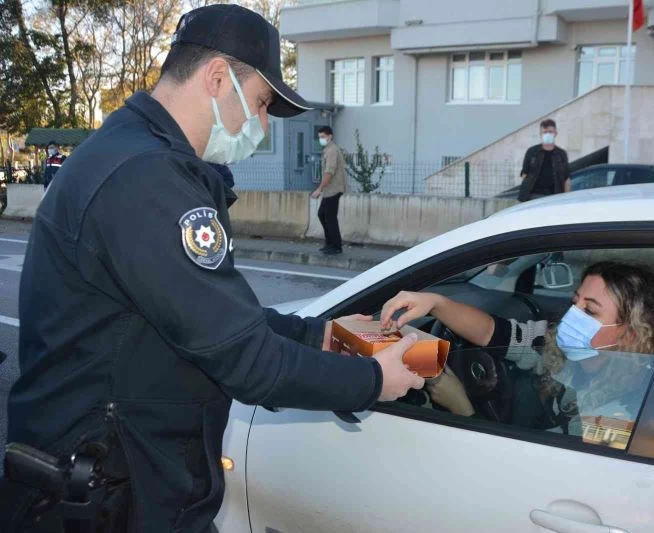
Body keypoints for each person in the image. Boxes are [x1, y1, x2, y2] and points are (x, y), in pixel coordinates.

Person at [0, 5, 424, 532]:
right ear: (218, 77)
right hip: (106, 491)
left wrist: (325, 335)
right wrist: (372, 379)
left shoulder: (133, 155)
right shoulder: (146, 179)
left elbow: (215, 317)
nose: (263, 127)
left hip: (120, 476)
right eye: (264, 105)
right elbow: (247, 359)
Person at [380, 262, 654, 436]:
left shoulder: (622, 413)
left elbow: (535, 470)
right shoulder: (563, 349)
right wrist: (436, 303)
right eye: (575, 301)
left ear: (630, 335)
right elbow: (493, 332)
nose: (573, 315)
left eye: (590, 311)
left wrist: (461, 408)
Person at [518, 119, 571, 202]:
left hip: (554, 197)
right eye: (545, 132)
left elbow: (566, 179)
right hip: (532, 196)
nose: (548, 134)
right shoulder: (532, 152)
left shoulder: (561, 154)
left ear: (555, 133)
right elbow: (524, 174)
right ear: (540, 134)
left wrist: (567, 198)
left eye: (550, 132)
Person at [313, 126, 346, 255]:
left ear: (330, 136)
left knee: (330, 217)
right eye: (319, 137)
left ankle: (336, 246)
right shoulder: (328, 149)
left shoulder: (332, 150)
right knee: (323, 214)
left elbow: (329, 172)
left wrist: (319, 189)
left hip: (334, 188)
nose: (320, 139)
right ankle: (330, 243)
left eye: (323, 137)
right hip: (330, 189)